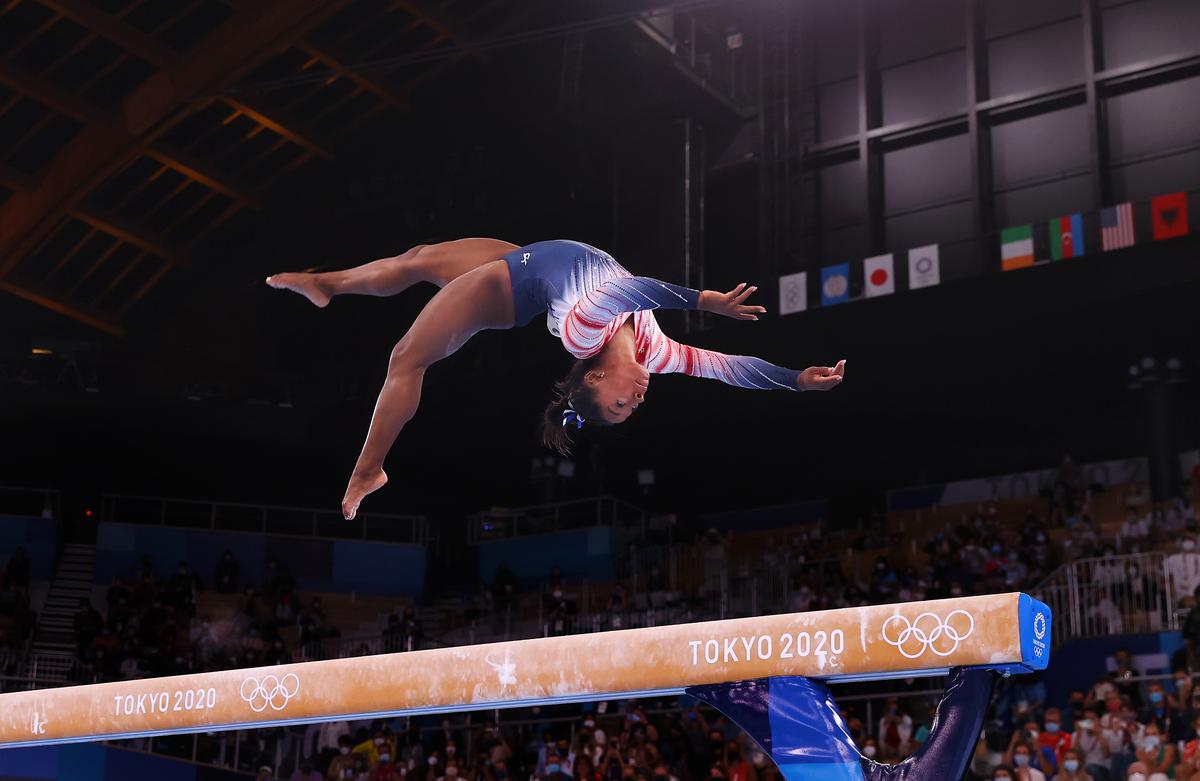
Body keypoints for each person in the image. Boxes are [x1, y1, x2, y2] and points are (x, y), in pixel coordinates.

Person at [268, 239, 845, 518]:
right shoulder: (652, 348)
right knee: (418, 257)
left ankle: (368, 470)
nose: (636, 401)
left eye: (619, 407)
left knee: (404, 359)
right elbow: (730, 369)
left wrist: (702, 302)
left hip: (505, 288)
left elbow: (628, 288)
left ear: (593, 379)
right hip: (530, 258)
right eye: (631, 409)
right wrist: (796, 380)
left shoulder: (582, 332)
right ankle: (330, 284)